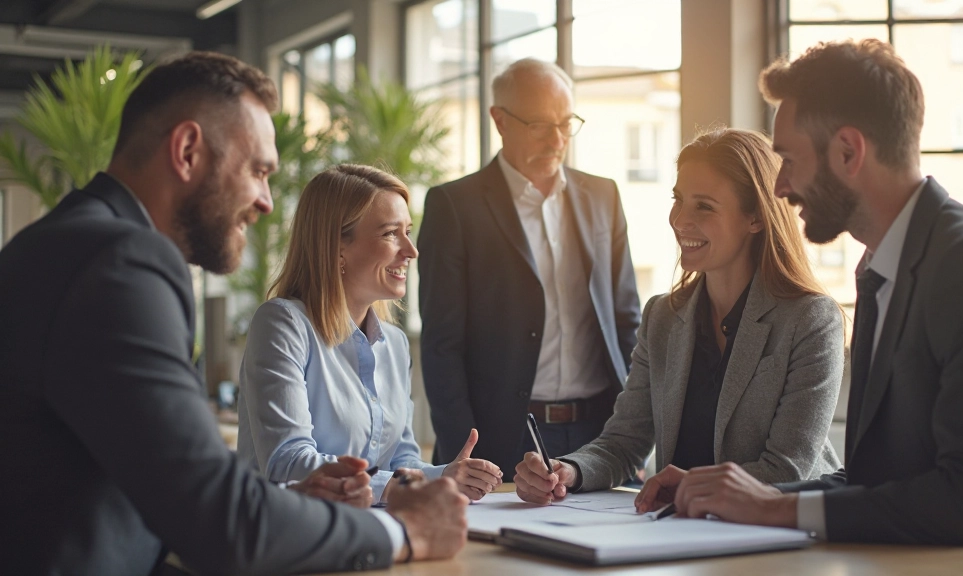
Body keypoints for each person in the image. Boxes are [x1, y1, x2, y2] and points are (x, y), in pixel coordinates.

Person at [0, 52, 469, 576]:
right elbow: (216, 514)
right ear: (187, 151)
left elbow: (162, 485)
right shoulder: (121, 262)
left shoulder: (67, 243)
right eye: (258, 171)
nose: (267, 201)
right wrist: (402, 532)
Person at [638, 39, 963, 548]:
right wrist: (724, 493)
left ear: (848, 151)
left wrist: (771, 506)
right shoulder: (880, 267)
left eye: (790, 159)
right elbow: (876, 479)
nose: (779, 187)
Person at [514, 128, 844, 504]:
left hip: (777, 536)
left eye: (704, 206)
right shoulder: (663, 317)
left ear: (755, 217)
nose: (680, 219)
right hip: (682, 532)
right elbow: (623, 443)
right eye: (678, 199)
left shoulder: (811, 319)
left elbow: (787, 468)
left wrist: (687, 485)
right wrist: (566, 471)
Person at [418, 58, 643, 476]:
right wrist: (458, 455)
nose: (558, 140)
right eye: (540, 125)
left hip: (602, 431)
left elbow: (627, 321)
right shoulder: (455, 206)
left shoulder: (602, 196)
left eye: (566, 123)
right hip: (501, 436)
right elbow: (441, 346)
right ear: (499, 120)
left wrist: (636, 435)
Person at [237, 164, 503, 503]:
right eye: (391, 233)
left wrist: (445, 475)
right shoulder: (282, 324)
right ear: (337, 246)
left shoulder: (394, 344)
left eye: (408, 231)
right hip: (292, 537)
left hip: (373, 533)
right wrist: (403, 486)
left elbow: (400, 462)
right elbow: (289, 463)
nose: (411, 250)